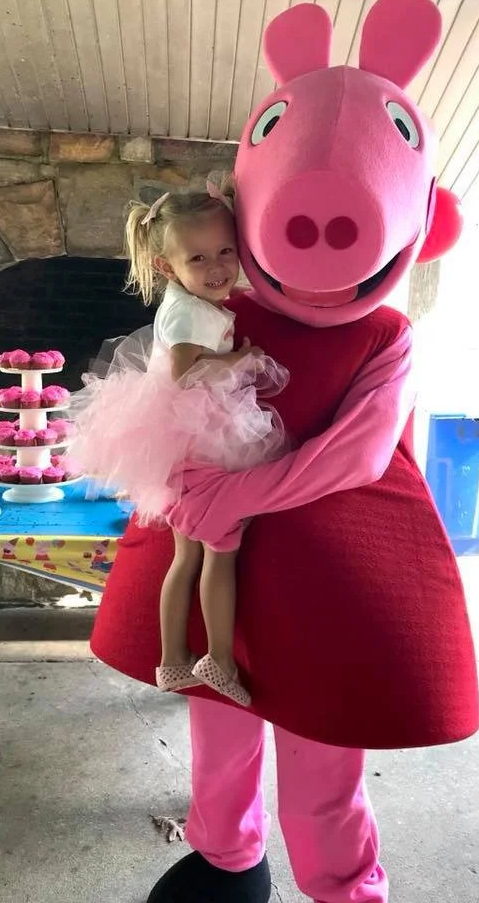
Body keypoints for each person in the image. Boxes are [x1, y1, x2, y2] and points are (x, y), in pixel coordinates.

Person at [89, 0, 479, 903]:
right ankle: (226, 855)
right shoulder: (229, 308)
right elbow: (170, 388)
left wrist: (234, 498)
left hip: (331, 577)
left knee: (322, 755)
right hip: (225, 560)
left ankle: (343, 885)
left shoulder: (385, 334)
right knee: (217, 725)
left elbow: (360, 451)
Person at [70, 186, 289, 710]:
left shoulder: (189, 299)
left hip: (180, 444)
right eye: (198, 258)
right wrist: (242, 361)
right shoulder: (193, 315)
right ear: (167, 267)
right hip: (200, 447)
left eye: (225, 252)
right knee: (221, 551)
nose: (217, 268)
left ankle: (172, 659)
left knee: (185, 555)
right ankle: (218, 659)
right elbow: (188, 374)